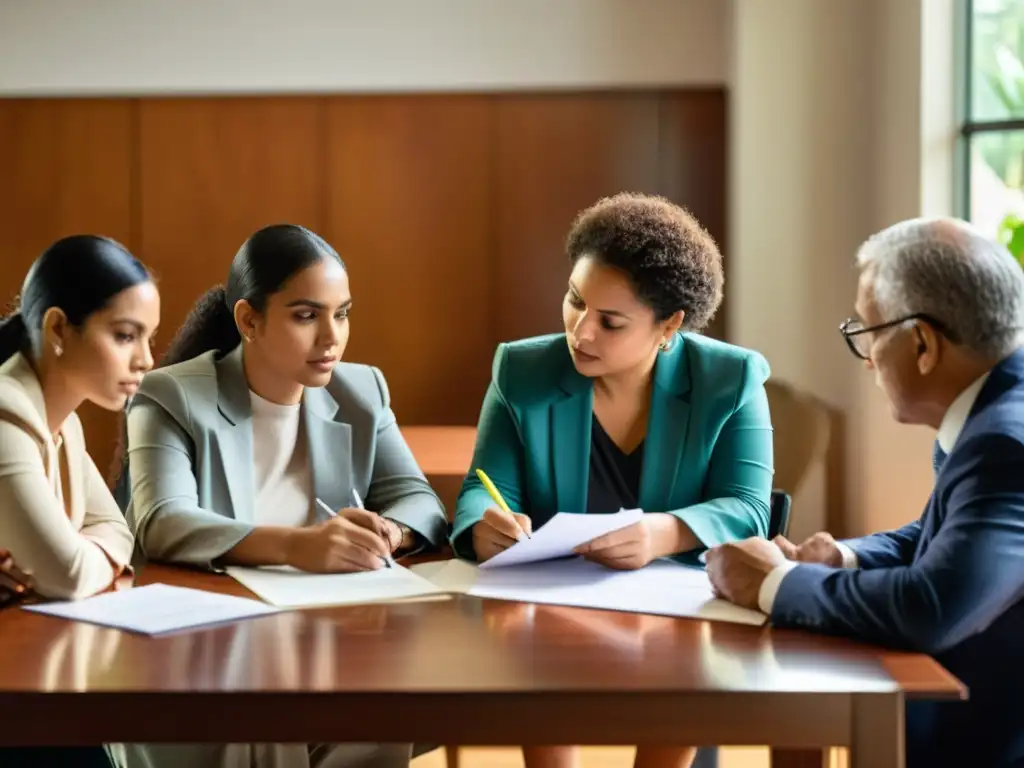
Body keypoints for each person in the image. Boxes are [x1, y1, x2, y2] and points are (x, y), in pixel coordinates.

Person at [451, 193, 774, 768]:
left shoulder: (730, 377)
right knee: (534, 648)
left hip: (681, 612)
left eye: (610, 321)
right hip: (551, 611)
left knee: (681, 674)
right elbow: (482, 486)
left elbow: (749, 507)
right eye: (575, 301)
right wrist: (484, 524)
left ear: (668, 325)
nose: (582, 331)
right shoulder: (521, 370)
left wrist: (663, 533)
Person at [118, 223, 446, 768]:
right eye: (306, 315)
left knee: (380, 699)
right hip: (206, 647)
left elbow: (418, 499)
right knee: (267, 714)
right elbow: (162, 521)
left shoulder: (362, 389)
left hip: (329, 633)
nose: (331, 338)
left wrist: (388, 531)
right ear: (248, 319)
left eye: (341, 313)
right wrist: (300, 546)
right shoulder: (171, 394)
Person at [706, 217, 1024, 768]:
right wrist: (842, 557)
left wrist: (773, 584)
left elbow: (933, 607)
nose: (869, 357)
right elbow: (937, 535)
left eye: (867, 332)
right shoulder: (993, 412)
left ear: (922, 343)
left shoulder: (1004, 442)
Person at [0, 234, 159, 768]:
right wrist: (73, 557)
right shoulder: (6, 418)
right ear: (58, 329)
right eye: (125, 336)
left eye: (148, 338)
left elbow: (117, 529)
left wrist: (69, 556)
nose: (146, 359)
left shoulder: (61, 417)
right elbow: (66, 574)